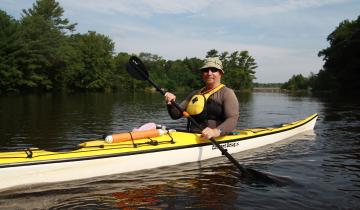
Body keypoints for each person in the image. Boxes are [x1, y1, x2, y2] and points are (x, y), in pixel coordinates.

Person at [164, 57, 239, 139]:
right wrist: (171, 104)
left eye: (213, 70)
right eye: (206, 70)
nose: (209, 73)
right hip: (192, 137)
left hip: (217, 138)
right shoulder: (194, 94)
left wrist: (215, 132)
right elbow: (176, 115)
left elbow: (232, 119)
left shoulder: (227, 93)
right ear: (202, 73)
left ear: (220, 73)